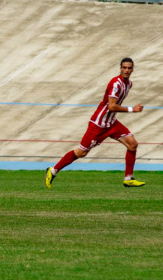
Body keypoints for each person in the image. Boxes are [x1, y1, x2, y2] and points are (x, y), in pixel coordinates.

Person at [45, 58, 146, 188]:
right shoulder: (116, 84)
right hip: (98, 124)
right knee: (81, 152)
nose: (126, 70)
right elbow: (111, 106)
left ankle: (128, 178)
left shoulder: (129, 84)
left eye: (129, 68)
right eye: (124, 68)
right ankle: (53, 171)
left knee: (132, 144)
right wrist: (133, 109)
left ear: (132, 69)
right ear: (120, 68)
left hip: (112, 123)